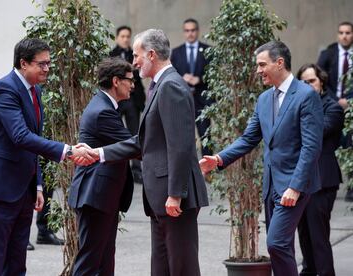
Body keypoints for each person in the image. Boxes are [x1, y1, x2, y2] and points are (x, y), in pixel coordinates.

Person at [77, 29, 209, 276]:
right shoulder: (160, 86)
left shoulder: (171, 86)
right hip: (160, 198)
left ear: (151, 54)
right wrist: (98, 154)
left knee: (181, 267)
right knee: (162, 268)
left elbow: (180, 147)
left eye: (137, 56)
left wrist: (175, 194)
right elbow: (143, 142)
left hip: (173, 197)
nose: (134, 62)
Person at [199, 41, 324, 276]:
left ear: (280, 63)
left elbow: (311, 147)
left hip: (294, 185)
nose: (257, 71)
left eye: (261, 64)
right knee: (281, 245)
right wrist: (218, 159)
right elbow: (248, 139)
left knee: (276, 243)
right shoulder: (264, 99)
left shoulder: (306, 96)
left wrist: (295, 187)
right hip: (271, 186)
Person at [0, 37, 95, 275]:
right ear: (23, 63)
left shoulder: (34, 90)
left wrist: (37, 185)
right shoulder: (5, 89)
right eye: (42, 64)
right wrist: (67, 150)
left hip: (24, 190)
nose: (47, 68)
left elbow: (33, 142)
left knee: (17, 261)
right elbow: (20, 136)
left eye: (49, 63)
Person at [68, 57, 135, 276]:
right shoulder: (103, 111)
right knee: (90, 263)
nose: (133, 85)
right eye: (129, 80)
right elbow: (133, 146)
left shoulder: (105, 105)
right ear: (116, 81)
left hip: (101, 196)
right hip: (95, 196)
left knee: (104, 261)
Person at [296, 63, 344, 276]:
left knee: (318, 234)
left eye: (311, 81)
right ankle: (308, 271)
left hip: (324, 178)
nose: (307, 86)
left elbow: (317, 132)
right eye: (303, 82)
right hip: (301, 179)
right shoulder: (298, 105)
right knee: (303, 232)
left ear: (321, 82)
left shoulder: (332, 107)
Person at [317, 21, 353, 201]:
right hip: (332, 105)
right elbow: (320, 79)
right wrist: (337, 101)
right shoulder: (328, 54)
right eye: (341, 32)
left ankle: (351, 187)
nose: (344, 36)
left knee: (351, 146)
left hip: (352, 108)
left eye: (348, 32)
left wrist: (350, 101)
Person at [171, 18, 212, 156]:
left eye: (193, 30)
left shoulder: (207, 50)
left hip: (202, 100)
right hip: (183, 100)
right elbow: (171, 75)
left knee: (205, 135)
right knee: (183, 137)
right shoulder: (176, 52)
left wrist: (199, 79)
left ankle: (209, 170)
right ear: (184, 32)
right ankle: (187, 168)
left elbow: (214, 74)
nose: (190, 33)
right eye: (187, 30)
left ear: (198, 31)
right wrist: (182, 78)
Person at [110, 25, 145, 184]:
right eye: (122, 36)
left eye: (127, 36)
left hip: (132, 100)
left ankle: (137, 170)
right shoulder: (111, 55)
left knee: (134, 133)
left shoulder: (135, 54)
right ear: (117, 37)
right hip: (117, 100)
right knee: (116, 134)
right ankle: (119, 168)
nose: (125, 39)